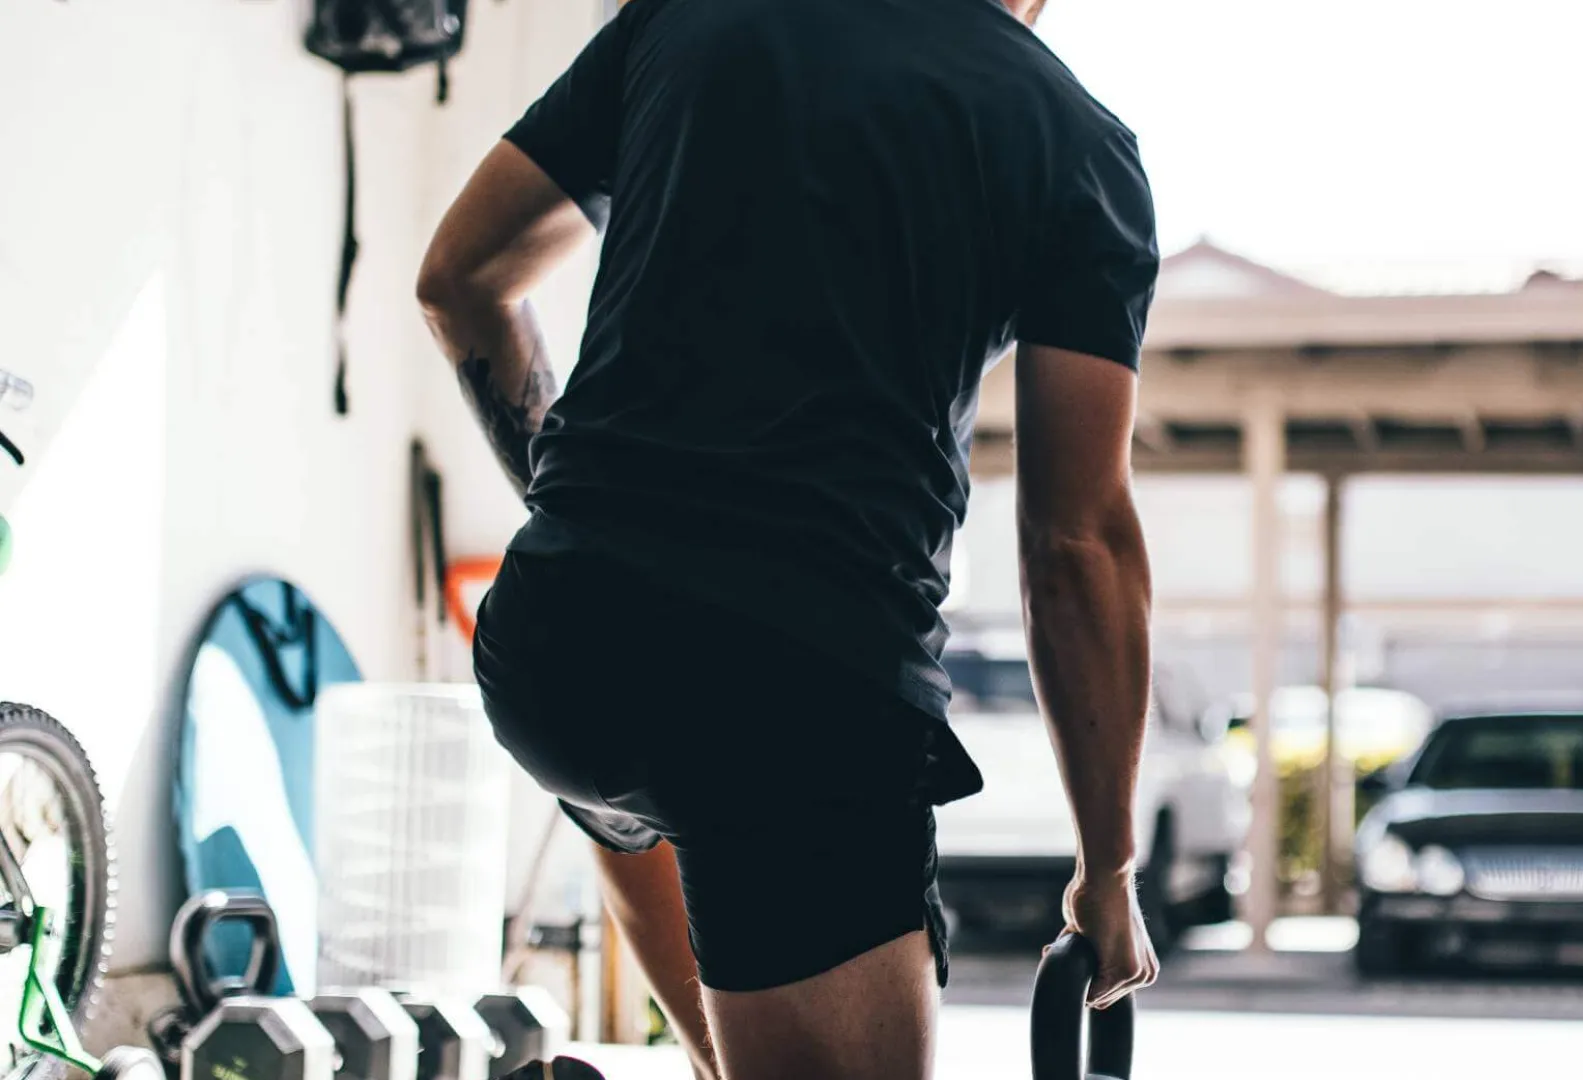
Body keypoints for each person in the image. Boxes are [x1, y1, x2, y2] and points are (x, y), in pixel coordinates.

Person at [416, 0, 1158, 1075]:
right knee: (732, 787)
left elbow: (460, 278)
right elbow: (1076, 540)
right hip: (801, 692)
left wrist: (580, 508)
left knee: (687, 870)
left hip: (559, 647)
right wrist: (1109, 867)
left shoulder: (687, 16)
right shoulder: (1074, 142)